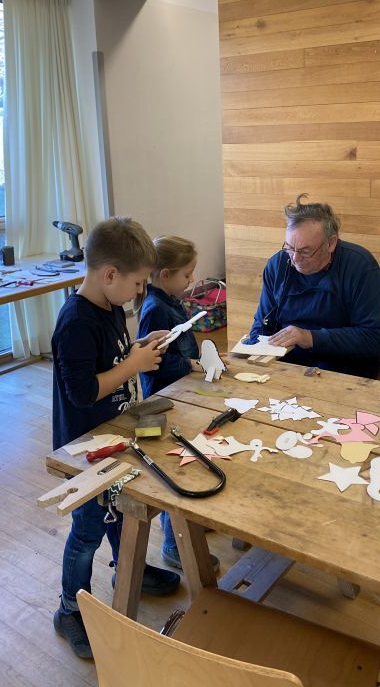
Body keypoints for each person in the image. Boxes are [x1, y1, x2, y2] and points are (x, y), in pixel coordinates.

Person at [51, 217, 180, 660]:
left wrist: (141, 346)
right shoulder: (74, 322)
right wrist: (133, 366)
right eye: (138, 283)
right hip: (85, 450)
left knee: (123, 513)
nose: (141, 291)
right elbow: (83, 391)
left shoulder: (109, 305)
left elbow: (114, 359)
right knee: (87, 531)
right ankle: (70, 609)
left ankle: (130, 569)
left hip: (115, 437)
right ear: (110, 274)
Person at [138, 235, 220, 572]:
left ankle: (191, 521)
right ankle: (175, 546)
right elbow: (154, 364)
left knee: (194, 454)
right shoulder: (155, 309)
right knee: (177, 468)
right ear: (165, 274)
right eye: (187, 275)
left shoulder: (170, 299)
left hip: (182, 392)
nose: (191, 280)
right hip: (165, 398)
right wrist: (190, 365)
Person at [247, 195, 380, 379]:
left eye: (306, 251)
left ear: (331, 243)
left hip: (344, 370)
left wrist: (310, 338)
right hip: (287, 365)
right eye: (289, 247)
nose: (295, 258)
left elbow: (374, 338)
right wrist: (256, 347)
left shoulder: (360, 266)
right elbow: (262, 325)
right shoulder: (278, 265)